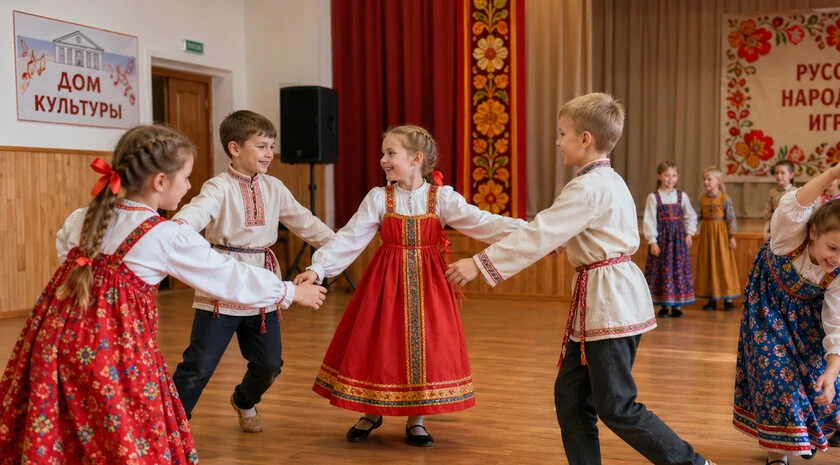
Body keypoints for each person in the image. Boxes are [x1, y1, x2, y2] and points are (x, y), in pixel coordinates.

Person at [0, 124, 327, 464]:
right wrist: (288, 291)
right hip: (115, 349)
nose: (188, 186)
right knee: (123, 424)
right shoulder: (163, 236)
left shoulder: (84, 218)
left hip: (54, 339)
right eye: (185, 177)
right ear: (160, 181)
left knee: (67, 419)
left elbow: (66, 253)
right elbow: (226, 274)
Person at [445, 93, 717, 465]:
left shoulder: (588, 188)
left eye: (563, 133)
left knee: (617, 406)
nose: (558, 141)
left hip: (609, 303)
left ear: (585, 138)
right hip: (603, 300)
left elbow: (541, 233)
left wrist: (479, 263)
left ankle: (694, 464)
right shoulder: (604, 181)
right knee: (572, 397)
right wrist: (490, 233)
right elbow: (546, 230)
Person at [294, 125, 525, 447]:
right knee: (380, 343)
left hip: (429, 285)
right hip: (385, 285)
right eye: (383, 153)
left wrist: (533, 233)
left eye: (391, 153)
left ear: (416, 159)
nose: (383, 159)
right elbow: (350, 238)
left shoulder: (441, 198)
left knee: (426, 346)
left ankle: (417, 419)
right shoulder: (379, 198)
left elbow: (484, 223)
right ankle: (371, 412)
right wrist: (317, 269)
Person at [170, 110, 335, 433]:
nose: (269, 153)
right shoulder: (218, 187)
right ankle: (169, 427)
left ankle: (244, 399)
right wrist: (177, 228)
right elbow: (194, 213)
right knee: (198, 365)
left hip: (262, 287)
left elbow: (306, 223)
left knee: (269, 364)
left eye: (271, 146)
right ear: (234, 148)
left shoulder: (274, 187)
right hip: (221, 287)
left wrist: (342, 247)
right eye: (261, 146)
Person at [733, 165, 840, 464]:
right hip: (766, 308)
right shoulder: (789, 237)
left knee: (819, 378)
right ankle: (777, 453)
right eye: (832, 247)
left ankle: (802, 434)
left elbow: (836, 323)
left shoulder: (837, 273)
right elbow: (795, 204)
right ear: (814, 232)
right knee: (775, 375)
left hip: (808, 318)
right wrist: (833, 174)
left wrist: (831, 373)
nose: (836, 258)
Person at [643, 160, 697, 318]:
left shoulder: (681, 196)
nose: (670, 179)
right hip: (662, 241)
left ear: (677, 177)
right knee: (661, 270)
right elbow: (649, 220)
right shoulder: (653, 197)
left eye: (673, 175)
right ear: (659, 176)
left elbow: (690, 215)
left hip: (678, 241)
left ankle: (677, 306)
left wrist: (689, 233)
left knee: (678, 269)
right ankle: (664, 305)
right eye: (667, 175)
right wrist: (652, 241)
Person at [694, 166, 740, 311]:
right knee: (708, 264)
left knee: (724, 264)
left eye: (709, 179)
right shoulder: (701, 199)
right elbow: (696, 217)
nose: (706, 182)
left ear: (718, 181)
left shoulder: (725, 198)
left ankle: (728, 298)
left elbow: (731, 218)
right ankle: (711, 298)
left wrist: (732, 236)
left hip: (721, 235)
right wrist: (689, 232)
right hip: (706, 236)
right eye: (704, 179)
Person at [764, 160, 795, 238]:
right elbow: (767, 211)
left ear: (791, 175)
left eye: (782, 173)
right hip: (774, 227)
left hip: (790, 228)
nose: (779, 176)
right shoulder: (772, 192)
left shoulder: (795, 192)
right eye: (776, 173)